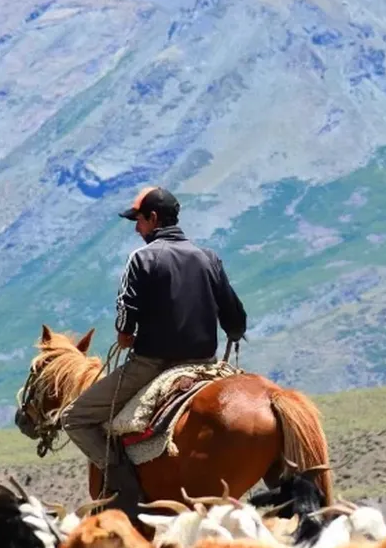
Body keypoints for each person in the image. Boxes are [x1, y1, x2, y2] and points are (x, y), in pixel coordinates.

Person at [60, 185, 248, 519]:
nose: (136, 228)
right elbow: (235, 318)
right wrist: (232, 334)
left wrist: (125, 335)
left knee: (75, 418)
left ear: (154, 218)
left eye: (139, 220)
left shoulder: (142, 258)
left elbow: (125, 316)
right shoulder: (209, 258)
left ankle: (122, 486)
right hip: (204, 363)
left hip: (152, 363)